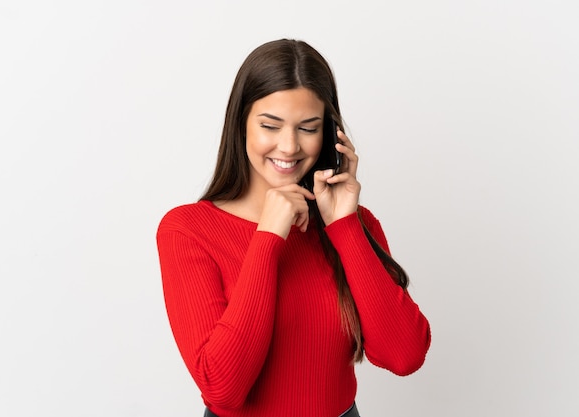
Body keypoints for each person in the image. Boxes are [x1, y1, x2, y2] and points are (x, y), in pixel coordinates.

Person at [156, 39, 431, 417]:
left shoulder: (352, 225)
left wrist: (345, 227)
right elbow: (222, 388)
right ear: (241, 124)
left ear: (329, 134)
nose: (288, 146)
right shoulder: (188, 230)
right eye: (270, 125)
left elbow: (404, 356)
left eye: (308, 127)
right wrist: (268, 236)